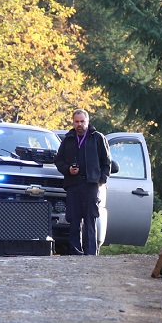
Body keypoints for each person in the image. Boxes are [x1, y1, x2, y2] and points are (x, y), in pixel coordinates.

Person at [55, 109, 111, 255]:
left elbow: (107, 163)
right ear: (73, 122)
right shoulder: (68, 139)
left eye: (82, 121)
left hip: (91, 185)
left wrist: (101, 180)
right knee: (74, 219)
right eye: (76, 122)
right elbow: (58, 160)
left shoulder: (98, 138)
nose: (79, 124)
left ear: (88, 121)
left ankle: (91, 252)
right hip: (73, 185)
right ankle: (74, 252)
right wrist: (68, 169)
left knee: (90, 218)